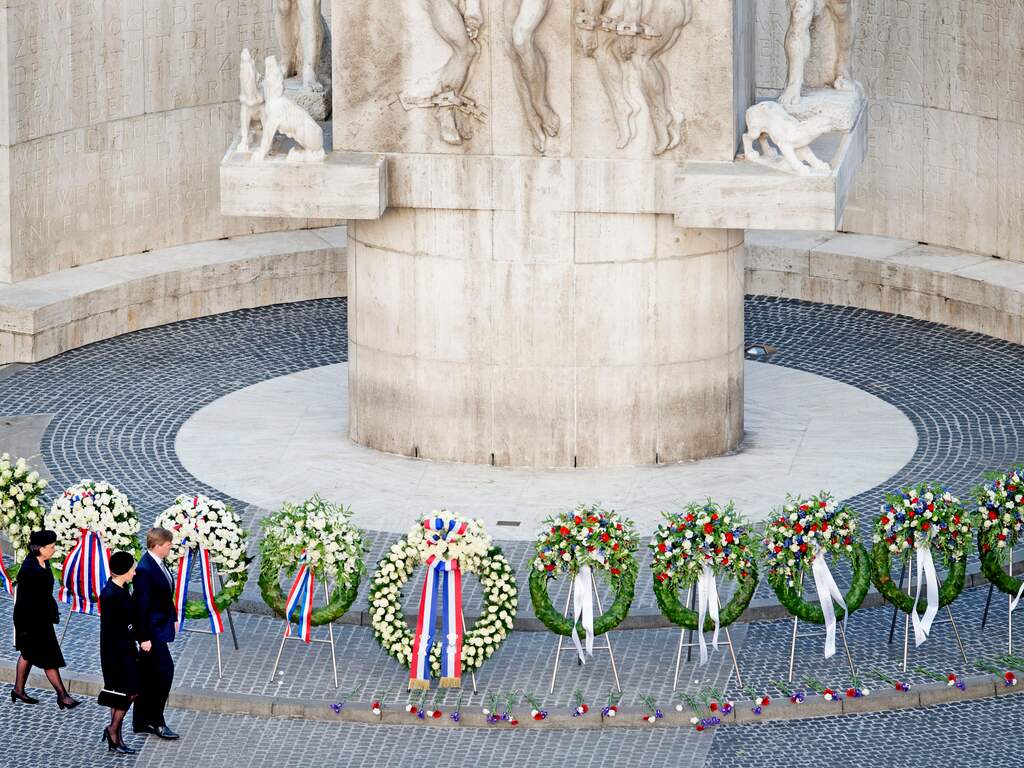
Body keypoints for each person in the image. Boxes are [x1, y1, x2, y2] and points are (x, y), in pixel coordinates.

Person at [10, 529, 80, 709]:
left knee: (28, 654)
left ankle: (18, 689)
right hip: (32, 621)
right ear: (40, 548)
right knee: (49, 658)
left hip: (41, 619)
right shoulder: (29, 570)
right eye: (51, 547)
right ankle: (63, 696)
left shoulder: (43, 562)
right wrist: (26, 627)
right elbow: (27, 602)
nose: (54, 549)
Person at [131, 527, 180, 740]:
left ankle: (142, 721)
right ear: (157, 546)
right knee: (163, 674)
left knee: (150, 676)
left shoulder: (158, 563)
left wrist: (174, 618)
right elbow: (140, 607)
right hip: (151, 634)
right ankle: (156, 721)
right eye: (168, 545)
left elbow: (166, 594)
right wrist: (143, 638)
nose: (171, 548)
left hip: (159, 628)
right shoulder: (145, 570)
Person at [99, 551, 140, 755]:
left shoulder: (122, 589)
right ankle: (113, 730)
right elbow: (115, 629)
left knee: (125, 693)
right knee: (126, 693)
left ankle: (116, 735)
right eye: (132, 568)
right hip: (117, 653)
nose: (135, 572)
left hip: (126, 650)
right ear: (124, 572)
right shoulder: (110, 595)